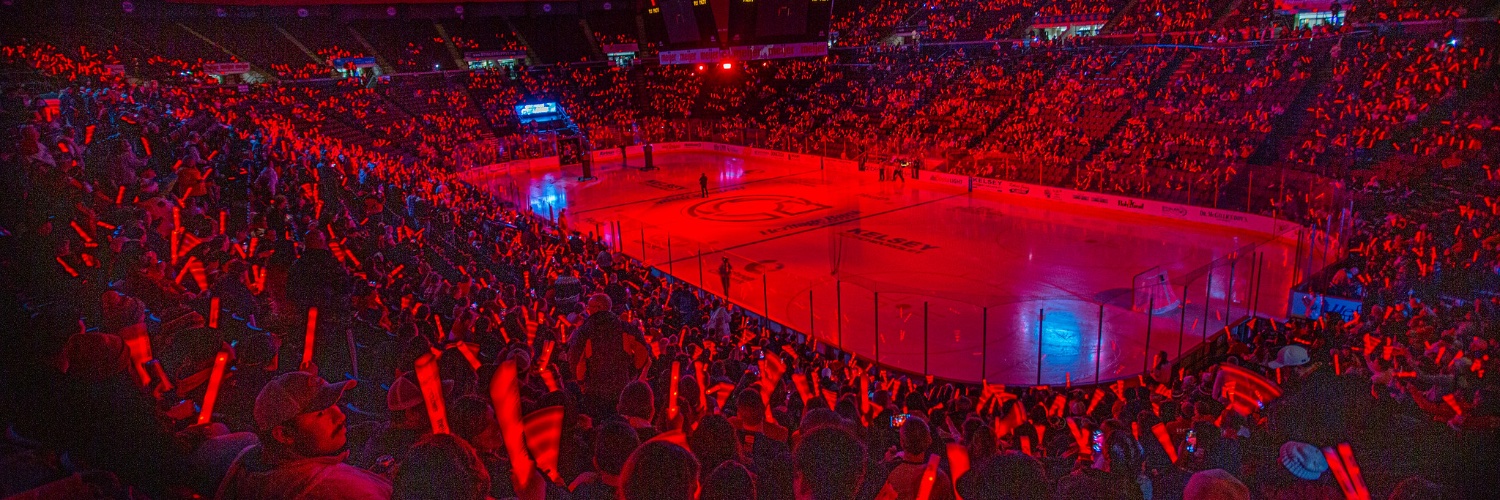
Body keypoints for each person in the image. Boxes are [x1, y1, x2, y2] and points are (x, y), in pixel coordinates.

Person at [216, 371, 392, 499]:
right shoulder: (336, 488)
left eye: (335, 405)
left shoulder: (250, 459)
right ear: (283, 434)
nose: (340, 415)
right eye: (320, 413)